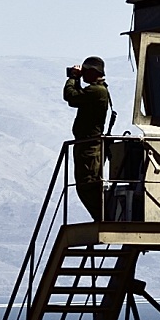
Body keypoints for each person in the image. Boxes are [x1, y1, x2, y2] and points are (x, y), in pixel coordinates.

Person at [63, 56, 112, 221]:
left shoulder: (97, 91)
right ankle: (101, 216)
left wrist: (73, 78)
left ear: (92, 72)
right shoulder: (96, 90)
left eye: (85, 71)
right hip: (87, 144)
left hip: (90, 146)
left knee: (88, 184)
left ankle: (102, 217)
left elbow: (70, 96)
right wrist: (76, 80)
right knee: (85, 184)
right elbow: (75, 100)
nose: (82, 73)